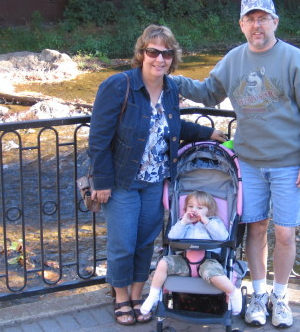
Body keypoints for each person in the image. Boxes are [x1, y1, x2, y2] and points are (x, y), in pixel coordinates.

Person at [172, 0, 300, 328]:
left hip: (290, 164)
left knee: (285, 234)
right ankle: (258, 296)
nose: (256, 25)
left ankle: (281, 298)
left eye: (263, 18)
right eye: (250, 19)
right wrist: (170, 80)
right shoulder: (234, 59)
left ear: (275, 21)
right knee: (255, 229)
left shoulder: (294, 59)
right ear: (242, 24)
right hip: (249, 165)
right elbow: (209, 91)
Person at [88, 25, 227, 326]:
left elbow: (175, 128)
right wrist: (101, 182)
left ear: (172, 58)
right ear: (142, 54)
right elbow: (98, 140)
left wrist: (209, 133)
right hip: (122, 181)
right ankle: (121, 296)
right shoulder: (118, 86)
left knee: (144, 242)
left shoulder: (171, 90)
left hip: (155, 181)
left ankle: (138, 293)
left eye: (166, 53)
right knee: (123, 242)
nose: (159, 59)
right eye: (153, 51)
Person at [140, 191, 242, 316]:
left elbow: (223, 236)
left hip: (207, 261)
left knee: (215, 273)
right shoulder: (183, 223)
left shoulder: (214, 222)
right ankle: (154, 295)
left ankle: (233, 293)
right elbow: (172, 237)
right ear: (185, 208)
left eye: (200, 208)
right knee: (163, 263)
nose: (194, 210)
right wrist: (183, 222)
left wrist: (206, 221)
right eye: (190, 206)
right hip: (184, 261)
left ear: (209, 211)